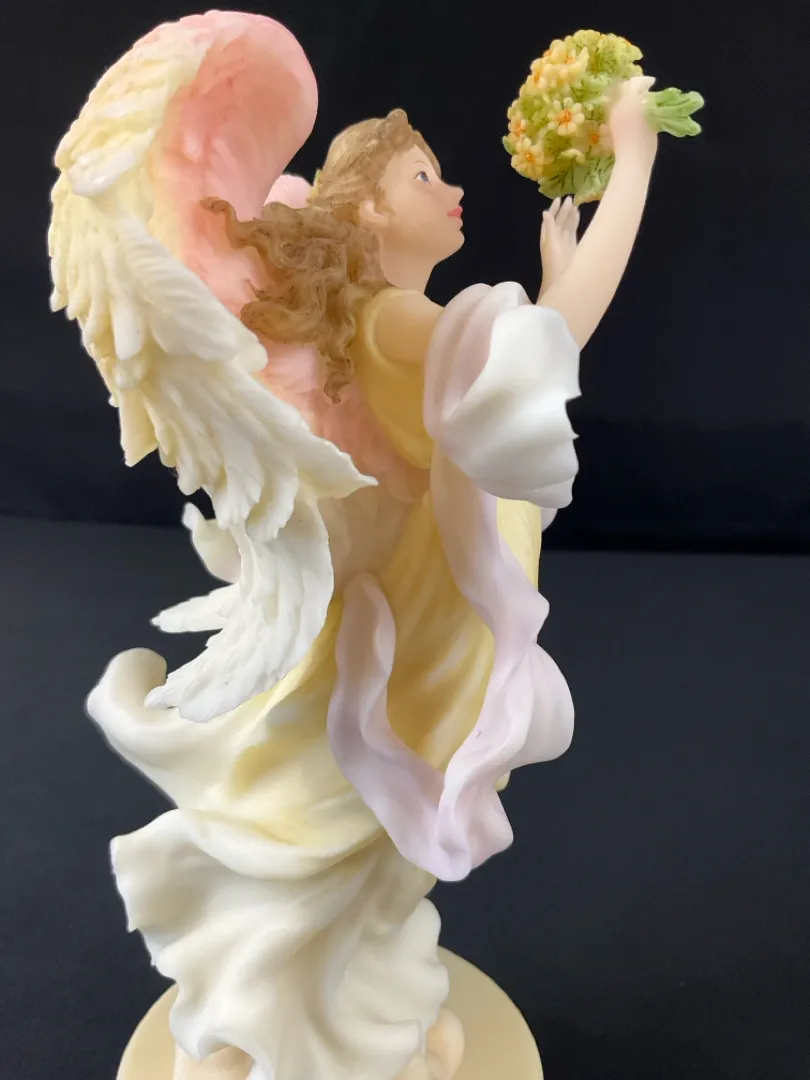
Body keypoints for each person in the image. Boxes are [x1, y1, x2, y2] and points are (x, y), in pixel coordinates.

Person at [51, 13, 657, 1080]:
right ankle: (298, 1033)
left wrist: (555, 264)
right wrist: (635, 165)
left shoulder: (390, 322)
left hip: (406, 616)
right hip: (408, 631)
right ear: (370, 207)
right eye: (424, 175)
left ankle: (326, 1024)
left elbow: (505, 370)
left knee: (361, 843)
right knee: (336, 830)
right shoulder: (386, 323)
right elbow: (552, 341)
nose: (451, 190)